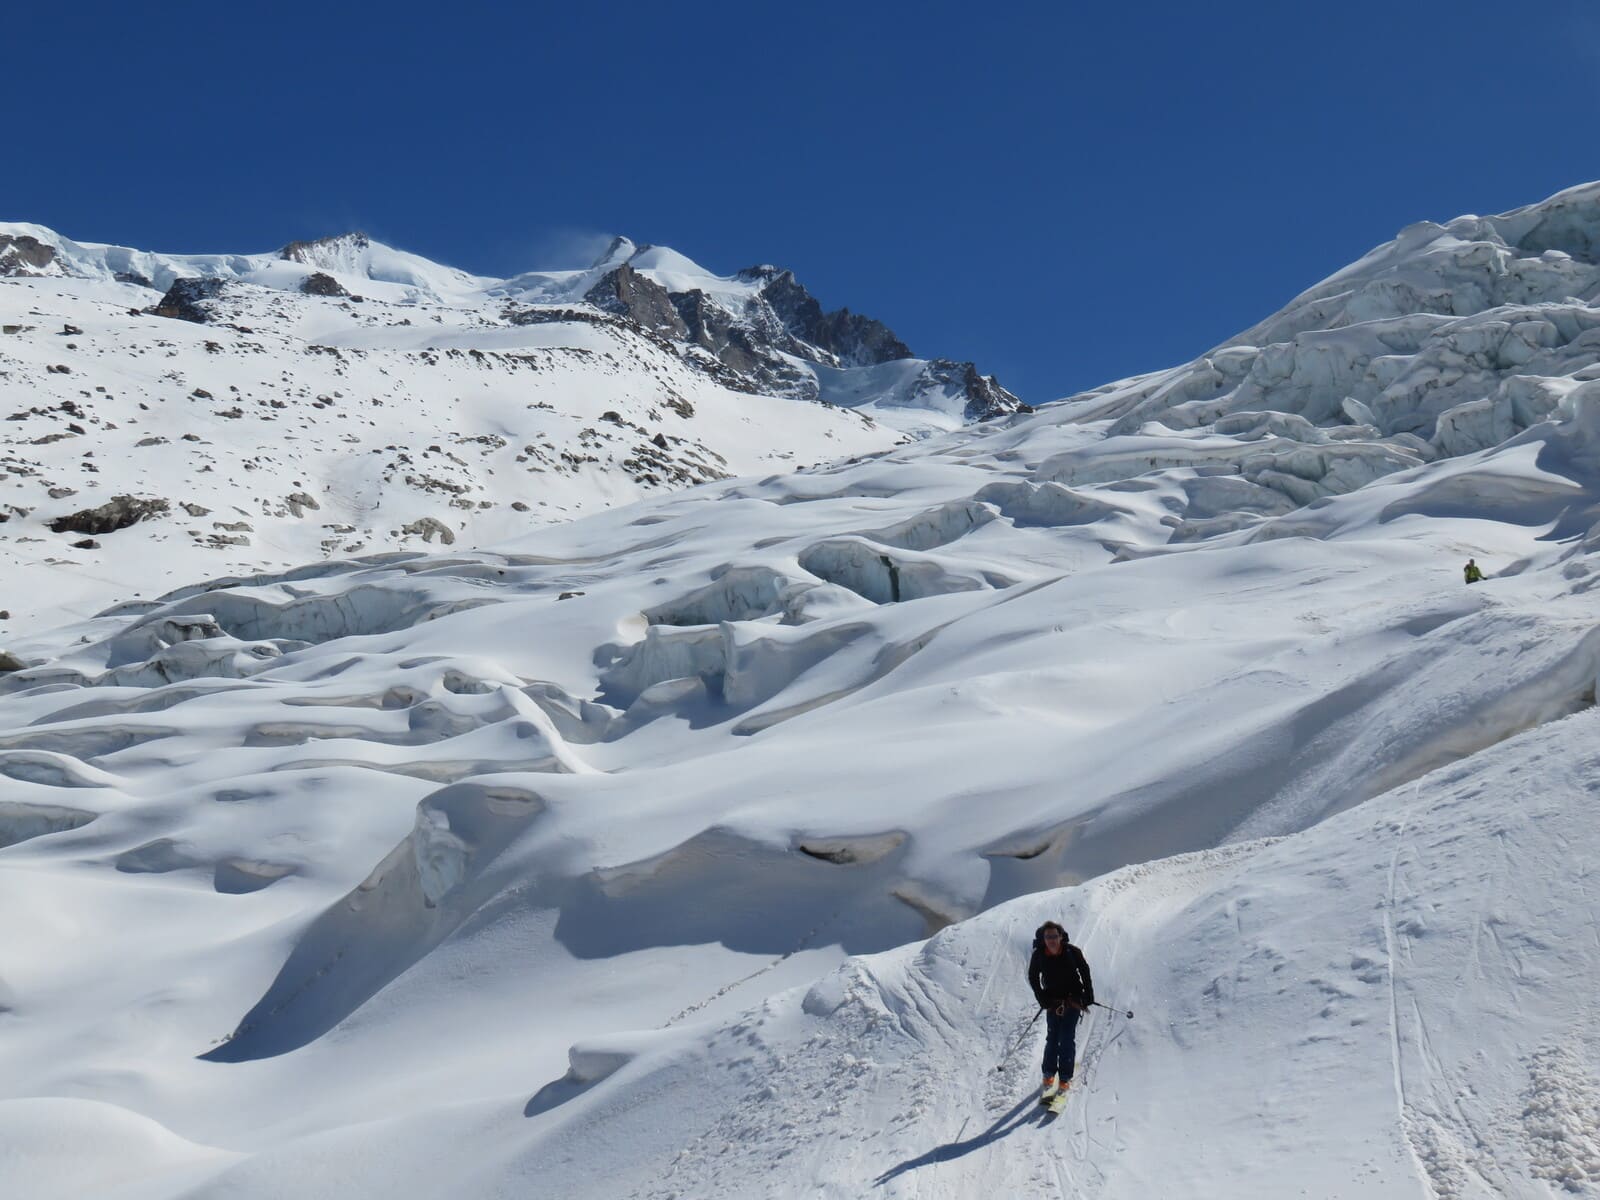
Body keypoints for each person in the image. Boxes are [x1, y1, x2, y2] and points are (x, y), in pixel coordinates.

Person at [1027, 921, 1094, 1101]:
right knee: (1052, 1037)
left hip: (1073, 1000)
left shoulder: (1072, 952)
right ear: (1043, 939)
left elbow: (1084, 970)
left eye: (1054, 936)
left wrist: (1088, 995)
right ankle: (1048, 1072)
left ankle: (1064, 1077)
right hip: (1053, 1002)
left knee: (1066, 1037)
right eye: (1048, 937)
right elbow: (1033, 977)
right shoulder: (1039, 955)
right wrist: (1041, 998)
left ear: (1061, 936)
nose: (1051, 940)